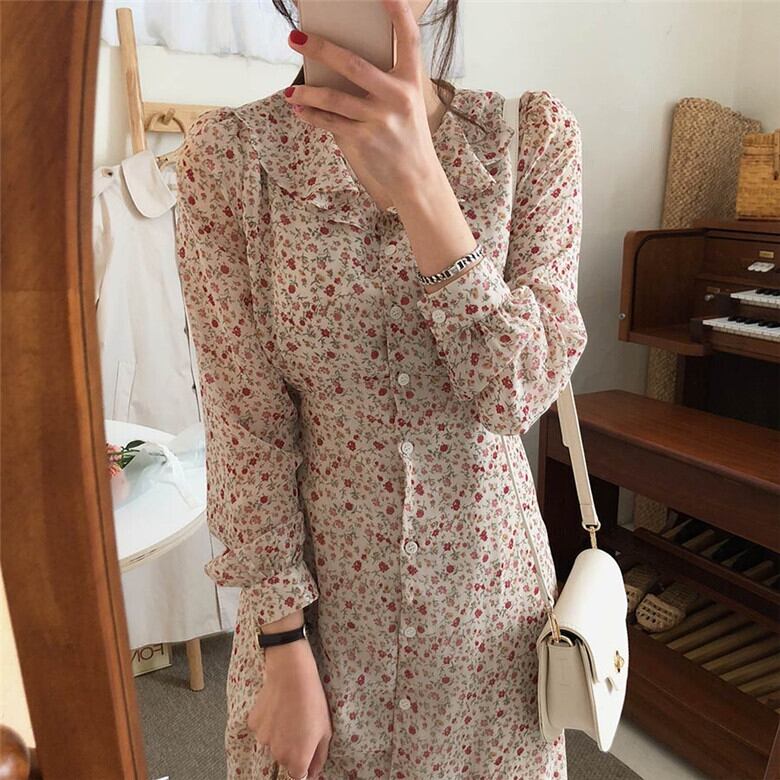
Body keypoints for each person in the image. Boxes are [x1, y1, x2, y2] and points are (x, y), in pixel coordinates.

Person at [174, 0, 588, 777]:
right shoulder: (227, 161)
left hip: (484, 620)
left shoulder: (530, 140)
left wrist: (422, 184)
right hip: (320, 630)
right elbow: (244, 425)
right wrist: (282, 643)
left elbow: (516, 396)